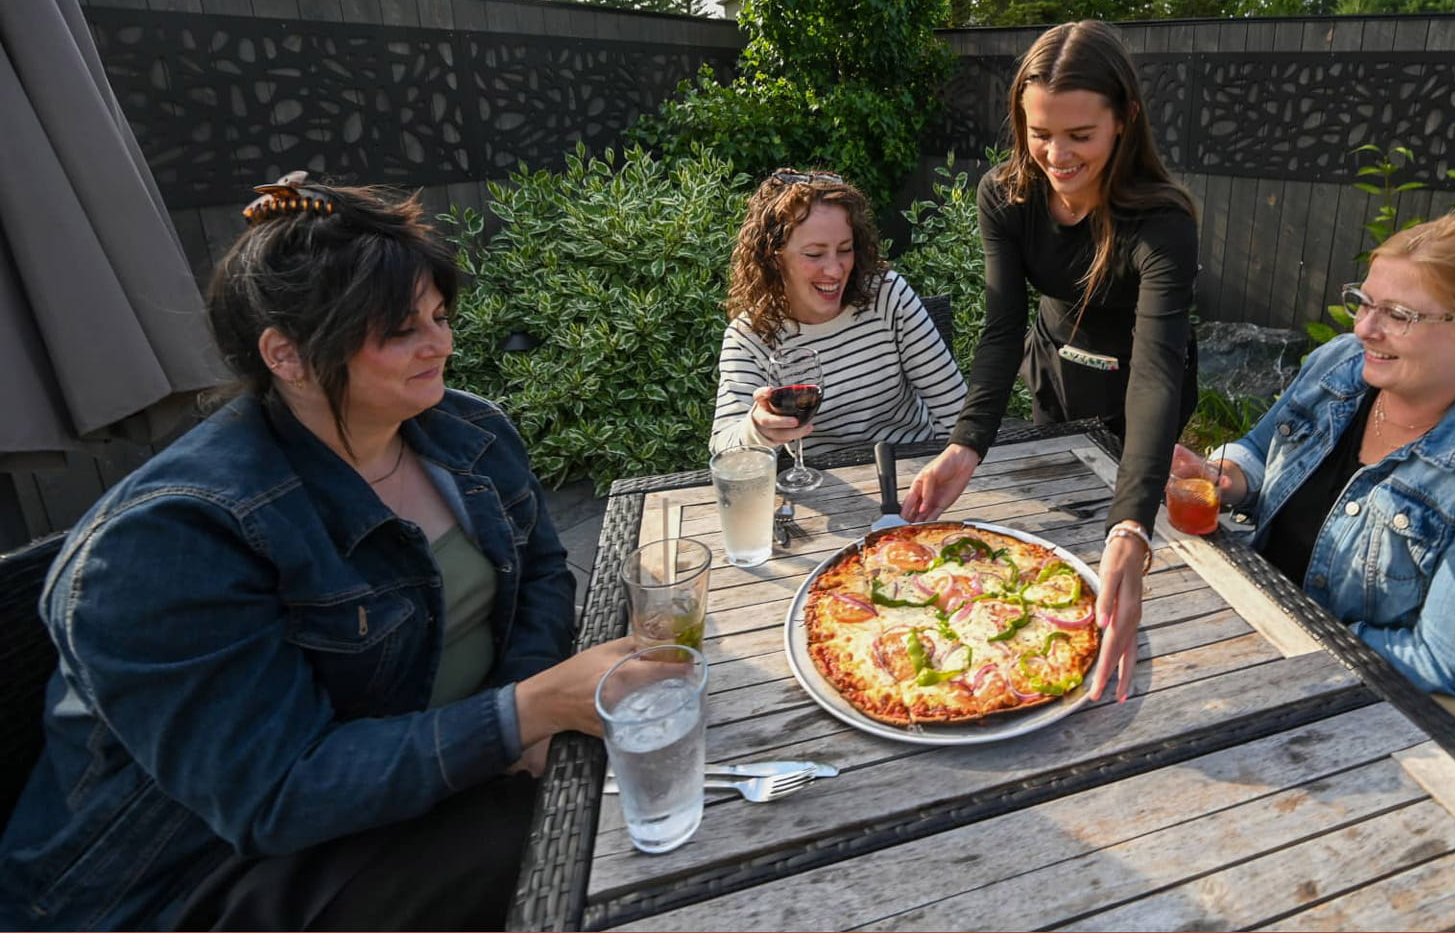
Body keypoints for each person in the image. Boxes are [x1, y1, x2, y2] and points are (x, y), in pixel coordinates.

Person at [0, 174, 631, 930]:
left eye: (439, 314)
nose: (442, 344)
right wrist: (520, 716)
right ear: (288, 355)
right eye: (402, 330)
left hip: (435, 782)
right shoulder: (166, 542)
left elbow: (539, 574)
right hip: (197, 879)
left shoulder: (471, 434)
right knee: (596, 845)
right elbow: (275, 793)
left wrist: (523, 711)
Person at [1173, 212, 1455, 756]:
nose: (1364, 329)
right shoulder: (1341, 366)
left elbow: (1445, 666)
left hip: (1408, 725)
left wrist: (1278, 632)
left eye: (1399, 314)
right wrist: (1227, 476)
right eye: (1364, 302)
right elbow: (1257, 449)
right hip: (1271, 644)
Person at [901, 21, 1200, 705]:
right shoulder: (1006, 195)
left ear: (1123, 120)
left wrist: (1131, 525)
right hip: (1056, 363)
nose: (1055, 156)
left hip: (1142, 376)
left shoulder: (1163, 222)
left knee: (1135, 530)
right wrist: (965, 446)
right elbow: (1002, 331)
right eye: (1039, 133)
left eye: (1079, 136)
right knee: (1060, 528)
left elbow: (1158, 370)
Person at [711, 169, 966, 459]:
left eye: (845, 249)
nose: (835, 270)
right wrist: (756, 429)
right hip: (824, 488)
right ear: (774, 257)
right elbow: (724, 450)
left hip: (915, 467)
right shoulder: (750, 335)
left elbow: (958, 414)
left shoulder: (886, 294)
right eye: (814, 254)